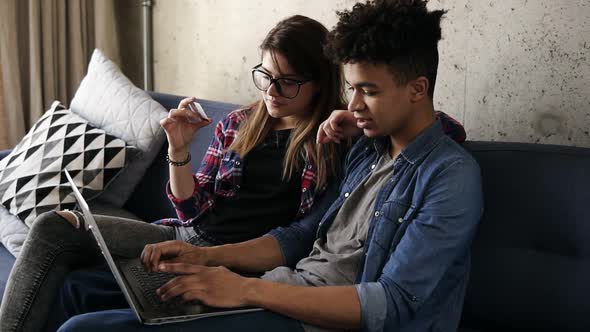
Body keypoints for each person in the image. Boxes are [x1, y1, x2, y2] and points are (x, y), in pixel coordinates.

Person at [53, 0, 483, 331]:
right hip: (284, 285)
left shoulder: (449, 177)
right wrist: (204, 257)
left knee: (82, 328)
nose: (352, 105)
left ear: (417, 89)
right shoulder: (366, 150)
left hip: (316, 319)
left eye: (367, 92)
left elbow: (391, 304)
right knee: (79, 291)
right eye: (350, 90)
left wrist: (243, 288)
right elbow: (300, 234)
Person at [0, 15, 351, 332]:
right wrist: (178, 149)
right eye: (265, 76)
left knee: (79, 289)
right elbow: (191, 211)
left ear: (318, 81)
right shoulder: (239, 124)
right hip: (186, 235)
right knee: (55, 226)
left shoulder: (330, 140)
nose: (271, 92)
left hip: (238, 262)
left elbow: (300, 237)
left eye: (287, 82)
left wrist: (212, 259)